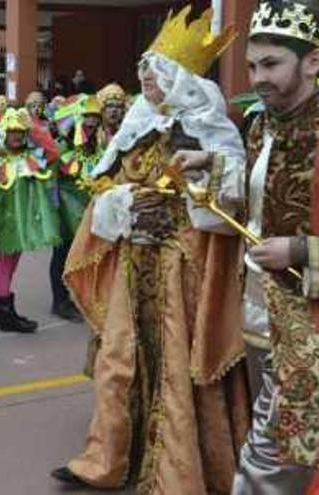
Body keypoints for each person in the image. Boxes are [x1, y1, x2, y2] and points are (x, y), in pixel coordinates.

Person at [51, 7, 251, 493]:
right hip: (133, 257)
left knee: (177, 365)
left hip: (180, 266)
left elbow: (233, 199)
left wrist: (184, 203)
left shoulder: (210, 129)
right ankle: (108, 457)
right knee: (118, 357)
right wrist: (121, 204)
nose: (149, 86)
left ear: (179, 79)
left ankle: (178, 469)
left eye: (156, 76)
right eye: (144, 76)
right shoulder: (136, 127)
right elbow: (102, 186)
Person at [219, 1, 319, 492]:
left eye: (272, 64)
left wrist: (300, 252)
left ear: (313, 61)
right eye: (253, 65)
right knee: (286, 450)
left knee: (271, 458)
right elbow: (262, 195)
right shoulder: (263, 124)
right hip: (260, 313)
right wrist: (213, 169)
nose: (258, 77)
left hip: (310, 326)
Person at [0, 108, 60, 333]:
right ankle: (4, 315)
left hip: (21, 226)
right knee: (4, 266)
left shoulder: (29, 158)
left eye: (20, 132)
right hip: (2, 225)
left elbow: (53, 152)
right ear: (3, 132)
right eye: (12, 131)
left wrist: (33, 127)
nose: (17, 135)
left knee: (9, 266)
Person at [47, 95, 106, 322]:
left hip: (85, 206)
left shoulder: (96, 145)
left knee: (82, 252)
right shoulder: (63, 144)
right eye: (88, 119)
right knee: (62, 254)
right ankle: (60, 301)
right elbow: (53, 176)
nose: (91, 124)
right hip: (63, 207)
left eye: (95, 119)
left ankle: (76, 297)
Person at [95, 83, 127, 147]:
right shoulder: (93, 136)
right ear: (102, 110)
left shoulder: (127, 135)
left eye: (118, 106)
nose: (114, 110)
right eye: (110, 106)